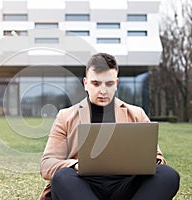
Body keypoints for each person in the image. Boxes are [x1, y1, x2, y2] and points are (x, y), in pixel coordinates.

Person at [39, 53, 180, 200]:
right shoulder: (65, 116)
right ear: (85, 83)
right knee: (62, 176)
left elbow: (158, 159)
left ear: (116, 83)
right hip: (83, 185)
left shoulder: (136, 114)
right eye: (96, 83)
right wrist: (75, 165)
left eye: (109, 84)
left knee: (168, 174)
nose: (103, 91)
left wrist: (146, 161)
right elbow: (47, 164)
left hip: (125, 185)